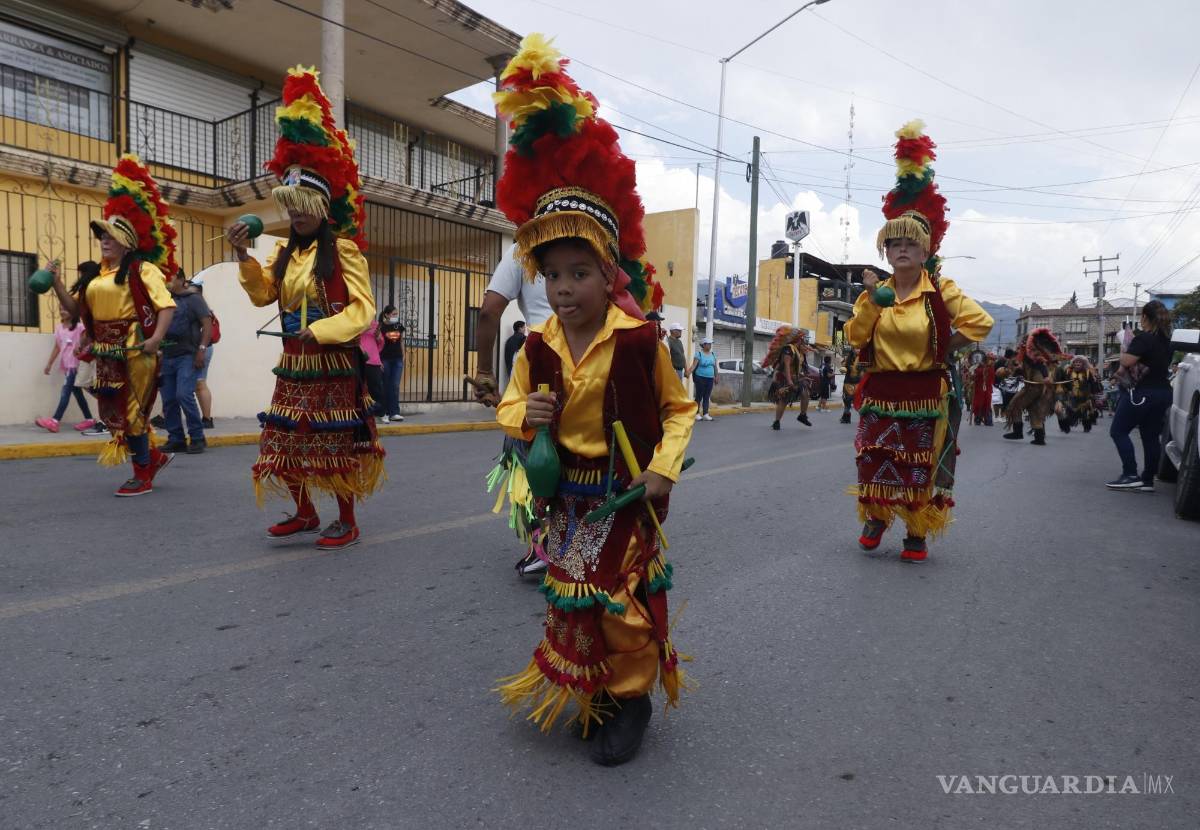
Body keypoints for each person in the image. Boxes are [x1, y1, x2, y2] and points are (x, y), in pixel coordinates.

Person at [492, 34, 694, 766]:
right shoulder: (537, 345)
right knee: (571, 596)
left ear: (611, 276)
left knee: (620, 602)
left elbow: (679, 411)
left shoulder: (640, 341)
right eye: (554, 274)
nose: (565, 286)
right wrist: (526, 416)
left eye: (581, 272)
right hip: (564, 494)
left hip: (622, 493)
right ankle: (593, 693)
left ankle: (631, 698)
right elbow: (509, 409)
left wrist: (664, 468)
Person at [226, 65, 384, 549]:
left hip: (331, 362)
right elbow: (260, 296)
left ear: (321, 208)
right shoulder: (281, 253)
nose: (295, 212)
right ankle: (304, 511)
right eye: (289, 204)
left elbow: (364, 309)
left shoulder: (345, 252)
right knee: (286, 439)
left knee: (331, 441)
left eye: (303, 204)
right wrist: (240, 256)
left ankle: (347, 520)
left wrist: (326, 329)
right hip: (293, 363)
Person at [845, 120, 993, 562]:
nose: (902, 250)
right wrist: (872, 301)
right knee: (874, 459)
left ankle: (915, 531)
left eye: (911, 243)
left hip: (926, 393)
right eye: (894, 244)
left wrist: (946, 347)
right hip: (882, 392)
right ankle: (876, 517)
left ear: (925, 251)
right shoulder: (874, 294)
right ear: (885, 253)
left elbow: (981, 324)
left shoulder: (941, 291)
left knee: (918, 466)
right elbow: (854, 336)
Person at [48, 156, 178, 495]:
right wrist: (58, 284)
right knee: (112, 412)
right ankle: (154, 458)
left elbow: (166, 307)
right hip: (106, 348)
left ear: (127, 242)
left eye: (111, 235)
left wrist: (156, 340)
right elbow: (77, 311)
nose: (104, 240)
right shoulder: (96, 275)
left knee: (133, 412)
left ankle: (143, 475)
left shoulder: (143, 270)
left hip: (136, 346)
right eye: (102, 235)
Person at [471, 244, 553, 406]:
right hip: (598, 360)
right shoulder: (598, 243)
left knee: (530, 423)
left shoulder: (526, 248)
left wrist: (484, 372)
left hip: (541, 362)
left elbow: (489, 311)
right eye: (553, 275)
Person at [1107, 300, 1174, 492]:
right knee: (1150, 437)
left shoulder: (1143, 338)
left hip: (1143, 392)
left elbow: (1127, 361)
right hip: (1163, 392)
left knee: (1118, 431)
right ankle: (1147, 480)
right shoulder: (1167, 341)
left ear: (1144, 317)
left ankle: (1130, 474)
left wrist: (1124, 349)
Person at [160, 268, 212, 454]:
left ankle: (197, 437)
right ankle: (176, 439)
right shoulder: (164, 299)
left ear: (182, 280)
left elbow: (207, 325)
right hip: (166, 355)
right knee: (168, 399)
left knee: (183, 394)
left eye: (170, 276)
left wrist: (202, 350)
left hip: (187, 355)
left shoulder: (194, 299)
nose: (167, 281)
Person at [36, 299, 96, 433]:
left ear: (74, 312)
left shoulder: (80, 327)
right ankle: (89, 419)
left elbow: (88, 340)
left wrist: (80, 347)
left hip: (75, 365)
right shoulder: (58, 328)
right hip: (66, 365)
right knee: (77, 393)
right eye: (60, 308)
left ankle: (55, 420)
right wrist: (49, 364)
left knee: (65, 392)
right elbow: (57, 347)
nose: (62, 311)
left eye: (65, 309)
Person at [1002, 328, 1067, 446]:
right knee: (1034, 410)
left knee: (1015, 405)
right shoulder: (1027, 353)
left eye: (1024, 340)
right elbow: (1026, 369)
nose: (1022, 343)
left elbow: (1040, 363)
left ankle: (1017, 432)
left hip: (1034, 387)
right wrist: (1015, 372)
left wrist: (1046, 376)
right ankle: (1039, 438)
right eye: (1023, 340)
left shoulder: (1031, 352)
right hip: (1036, 386)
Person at [763, 325, 802, 430]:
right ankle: (777, 422)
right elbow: (786, 367)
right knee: (783, 401)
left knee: (788, 399)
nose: (802, 340)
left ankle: (802, 415)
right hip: (784, 378)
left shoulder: (794, 349)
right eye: (801, 338)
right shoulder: (788, 350)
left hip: (788, 378)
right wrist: (789, 381)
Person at [189, 274, 215, 429]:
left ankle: (207, 418)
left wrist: (201, 349)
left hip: (201, 348)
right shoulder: (203, 305)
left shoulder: (198, 306)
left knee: (199, 383)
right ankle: (206, 418)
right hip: (203, 347)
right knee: (197, 383)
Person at [1054, 355, 1100, 433]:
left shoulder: (1088, 372)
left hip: (1084, 397)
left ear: (1083, 364)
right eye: (1076, 362)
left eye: (1080, 362)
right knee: (1069, 411)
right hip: (1071, 396)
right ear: (1073, 363)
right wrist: (1064, 390)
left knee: (1085, 414)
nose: (1077, 363)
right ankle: (1066, 426)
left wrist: (1093, 393)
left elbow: (1093, 383)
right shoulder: (1068, 371)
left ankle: (1086, 427)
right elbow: (1063, 382)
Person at [378, 305, 405, 423]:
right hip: (385, 359)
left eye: (396, 314)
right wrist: (378, 360)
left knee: (395, 386)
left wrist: (403, 356)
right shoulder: (381, 327)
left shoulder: (398, 326)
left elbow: (401, 341)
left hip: (397, 359)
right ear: (387, 315)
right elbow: (377, 344)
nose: (395, 316)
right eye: (393, 314)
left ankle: (394, 412)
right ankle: (384, 412)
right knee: (385, 385)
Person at [359, 317, 385, 421]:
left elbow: (381, 343)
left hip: (373, 360)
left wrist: (378, 336)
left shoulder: (375, 324)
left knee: (376, 388)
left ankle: (380, 413)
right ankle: (363, 413)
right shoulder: (356, 322)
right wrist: (365, 329)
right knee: (361, 388)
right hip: (360, 358)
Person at [686, 337, 716, 421]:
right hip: (700, 377)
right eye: (708, 344)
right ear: (703, 345)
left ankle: (706, 414)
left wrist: (716, 376)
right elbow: (694, 365)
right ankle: (696, 413)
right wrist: (688, 372)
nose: (710, 345)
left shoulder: (713, 354)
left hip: (710, 378)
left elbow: (715, 366)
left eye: (710, 344)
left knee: (707, 396)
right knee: (699, 396)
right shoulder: (698, 354)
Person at [971, 352, 995, 426]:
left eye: (993, 359)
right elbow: (974, 377)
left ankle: (988, 420)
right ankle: (978, 418)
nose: (992, 361)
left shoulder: (990, 368)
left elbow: (992, 378)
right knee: (978, 404)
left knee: (987, 404)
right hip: (979, 390)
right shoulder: (978, 368)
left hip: (987, 390)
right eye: (990, 359)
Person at [841, 347, 862, 425]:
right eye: (856, 348)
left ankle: (863, 419)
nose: (858, 350)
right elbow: (843, 367)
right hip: (848, 382)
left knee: (859, 401)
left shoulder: (863, 358)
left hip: (858, 382)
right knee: (847, 400)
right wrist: (844, 368)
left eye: (859, 348)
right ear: (853, 350)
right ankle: (846, 417)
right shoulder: (848, 358)